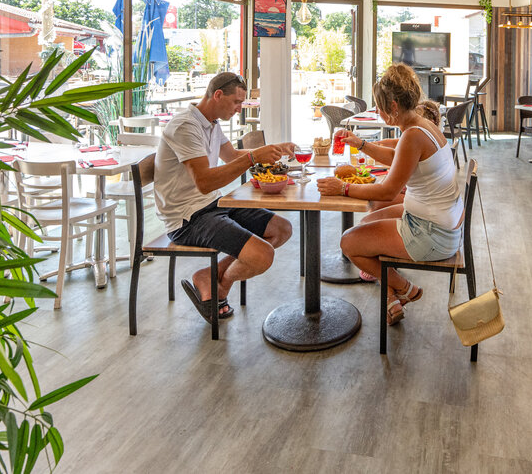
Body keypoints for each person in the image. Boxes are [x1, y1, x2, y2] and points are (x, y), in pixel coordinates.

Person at [318, 66, 461, 325]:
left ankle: (404, 288)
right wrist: (360, 143)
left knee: (349, 243)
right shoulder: (422, 125)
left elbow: (387, 190)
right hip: (439, 224)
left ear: (393, 106)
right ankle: (391, 296)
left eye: (380, 107)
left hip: (430, 234)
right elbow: (398, 159)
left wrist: (343, 189)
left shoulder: (413, 135)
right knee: (365, 225)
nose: (379, 113)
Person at [154, 71, 295, 323]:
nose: (240, 108)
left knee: (281, 229)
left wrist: (273, 150)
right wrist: (254, 157)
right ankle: (218, 285)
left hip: (212, 205)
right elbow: (206, 182)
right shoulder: (185, 126)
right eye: (236, 102)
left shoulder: (210, 122)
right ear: (217, 95)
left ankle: (212, 278)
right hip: (186, 218)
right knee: (262, 255)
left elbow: (232, 157)